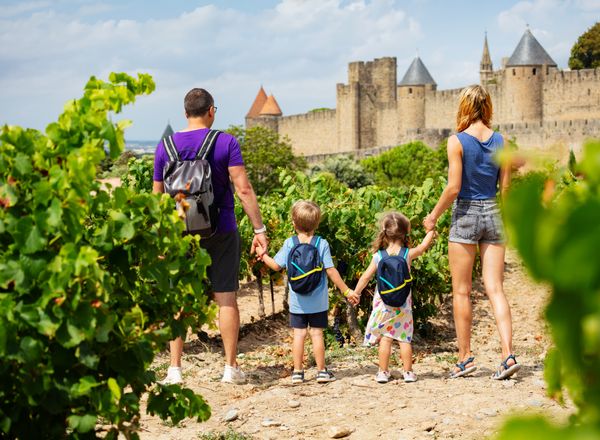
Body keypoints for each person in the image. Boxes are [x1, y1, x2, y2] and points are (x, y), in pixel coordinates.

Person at [153, 88, 268, 385]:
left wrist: (160, 239)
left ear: (185, 113)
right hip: (222, 229)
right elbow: (243, 189)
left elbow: (157, 200)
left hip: (179, 233)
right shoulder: (225, 142)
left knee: (178, 299)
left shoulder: (165, 146)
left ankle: (174, 370)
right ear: (211, 111)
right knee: (226, 297)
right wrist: (259, 229)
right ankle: (230, 368)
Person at [423, 84, 520, 380]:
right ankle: (507, 355)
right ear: (487, 106)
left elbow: (453, 187)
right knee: (496, 288)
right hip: (494, 212)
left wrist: (433, 216)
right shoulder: (502, 141)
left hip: (466, 213)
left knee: (462, 291)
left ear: (464, 107)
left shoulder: (457, 141)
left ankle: (465, 359)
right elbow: (505, 188)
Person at [256, 200, 353, 384]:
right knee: (317, 334)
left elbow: (276, 266)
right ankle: (321, 371)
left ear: (294, 223)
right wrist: (346, 290)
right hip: (318, 302)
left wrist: (263, 254)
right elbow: (331, 270)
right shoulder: (321, 243)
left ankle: (298, 372)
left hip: (297, 302)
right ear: (317, 224)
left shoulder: (289, 243)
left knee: (299, 334)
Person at [349, 212, 435, 384]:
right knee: (404, 338)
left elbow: (365, 277)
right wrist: (431, 230)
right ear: (405, 233)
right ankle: (408, 372)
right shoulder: (407, 254)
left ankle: (382, 372)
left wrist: (355, 293)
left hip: (383, 304)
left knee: (386, 338)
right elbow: (423, 247)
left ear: (385, 232)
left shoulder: (378, 256)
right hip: (403, 305)